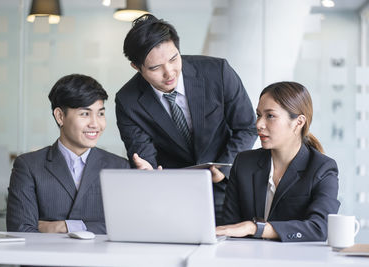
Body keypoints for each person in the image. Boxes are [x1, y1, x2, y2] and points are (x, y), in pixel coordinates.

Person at [115, 14, 257, 224]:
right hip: (172, 194)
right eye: (155, 68)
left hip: (228, 185)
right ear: (137, 67)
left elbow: (246, 127)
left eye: (174, 59)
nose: (169, 72)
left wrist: (223, 167)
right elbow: (144, 156)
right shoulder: (128, 101)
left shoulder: (217, 72)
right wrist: (147, 173)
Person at [6, 74, 151, 234]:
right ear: (60, 116)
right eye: (85, 114)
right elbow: (20, 230)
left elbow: (129, 227)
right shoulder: (29, 166)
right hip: (48, 258)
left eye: (100, 114)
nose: (95, 124)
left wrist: (64, 226)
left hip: (101, 259)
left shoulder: (120, 167)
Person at [216, 81, 340, 242]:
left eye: (270, 116)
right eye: (259, 115)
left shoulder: (322, 168)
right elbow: (230, 227)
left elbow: (320, 227)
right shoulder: (244, 163)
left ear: (298, 122)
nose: (259, 124)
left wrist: (256, 228)